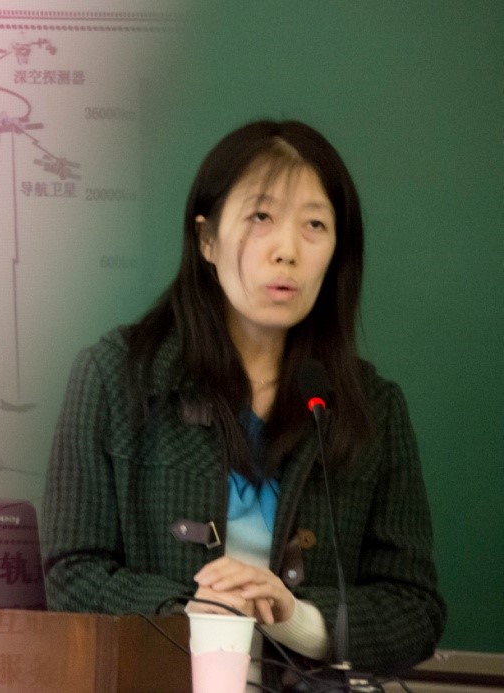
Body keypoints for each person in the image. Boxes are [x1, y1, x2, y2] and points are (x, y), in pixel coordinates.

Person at [41, 120, 445, 686]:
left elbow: (415, 609)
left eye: (315, 225)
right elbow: (71, 575)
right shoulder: (116, 378)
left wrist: (295, 618)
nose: (287, 251)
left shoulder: (371, 408)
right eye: (260, 218)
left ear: (337, 251)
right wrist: (187, 612)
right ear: (206, 239)